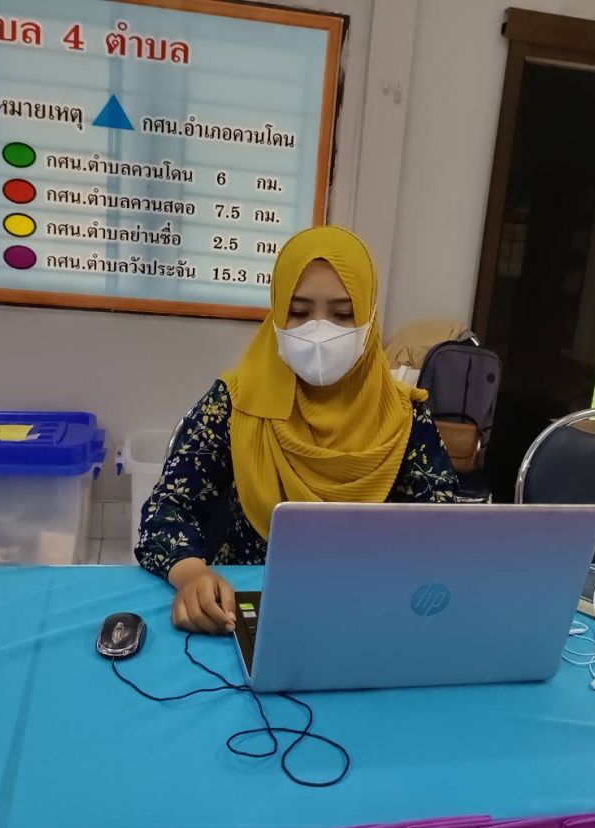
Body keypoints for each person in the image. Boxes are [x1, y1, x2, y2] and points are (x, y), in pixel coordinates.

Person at [137, 226, 459, 633]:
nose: (319, 330)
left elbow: (442, 529)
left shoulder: (405, 416)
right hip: (248, 611)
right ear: (276, 313)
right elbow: (166, 509)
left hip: (369, 613)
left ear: (369, 317)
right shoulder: (234, 403)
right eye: (300, 311)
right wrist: (190, 574)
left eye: (343, 314)